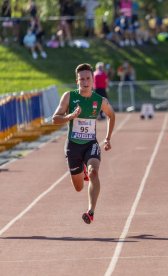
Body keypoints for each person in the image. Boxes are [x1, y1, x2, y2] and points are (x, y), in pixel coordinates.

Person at [52, 63, 115, 224]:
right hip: (73, 145)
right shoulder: (69, 97)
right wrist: (70, 116)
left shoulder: (100, 100)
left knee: (94, 172)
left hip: (90, 144)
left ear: (93, 80)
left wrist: (107, 138)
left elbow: (111, 115)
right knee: (79, 187)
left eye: (88, 78)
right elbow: (55, 119)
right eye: (82, 79)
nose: (85, 82)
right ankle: (82, 170)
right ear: (77, 81)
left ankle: (91, 211)